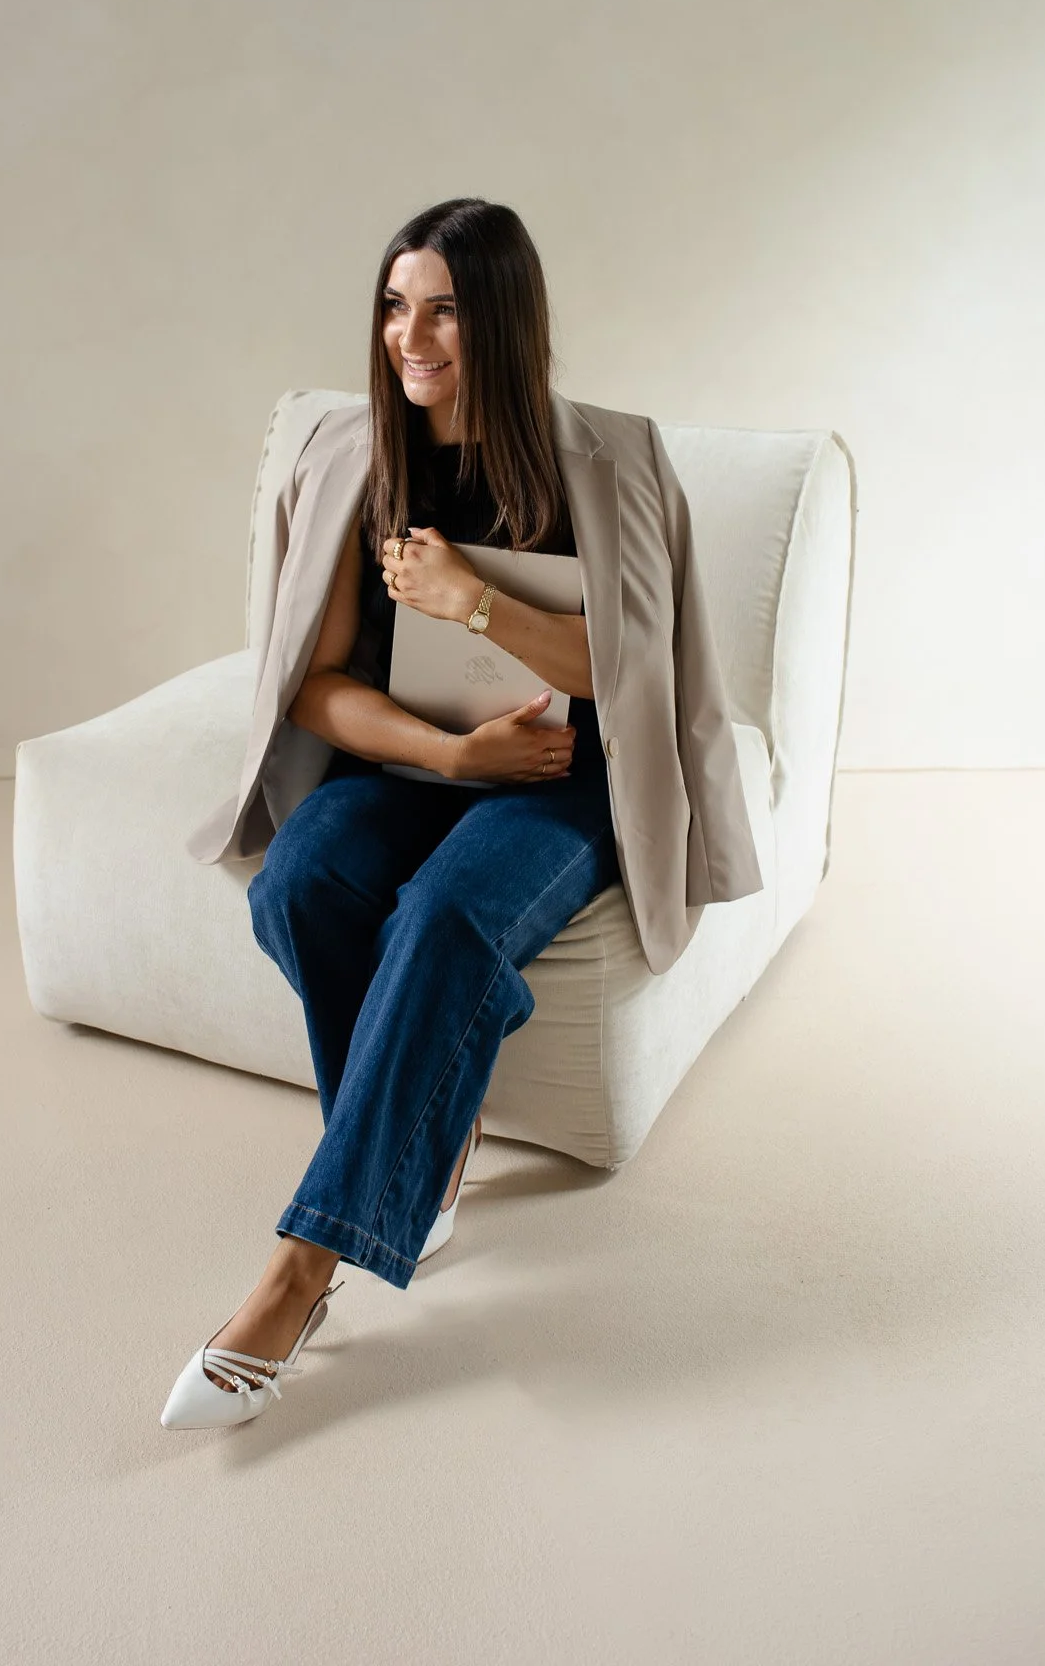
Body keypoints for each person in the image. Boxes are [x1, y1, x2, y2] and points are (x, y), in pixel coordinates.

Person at [161, 197, 760, 1431]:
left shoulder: (609, 459)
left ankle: (295, 1275)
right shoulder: (353, 455)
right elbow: (318, 686)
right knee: (297, 881)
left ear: (502, 319)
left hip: (563, 777)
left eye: (442, 310)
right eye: (394, 306)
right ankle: (430, 1148)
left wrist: (468, 599)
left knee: (442, 914)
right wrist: (449, 749)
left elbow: (628, 670)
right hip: (409, 761)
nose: (410, 336)